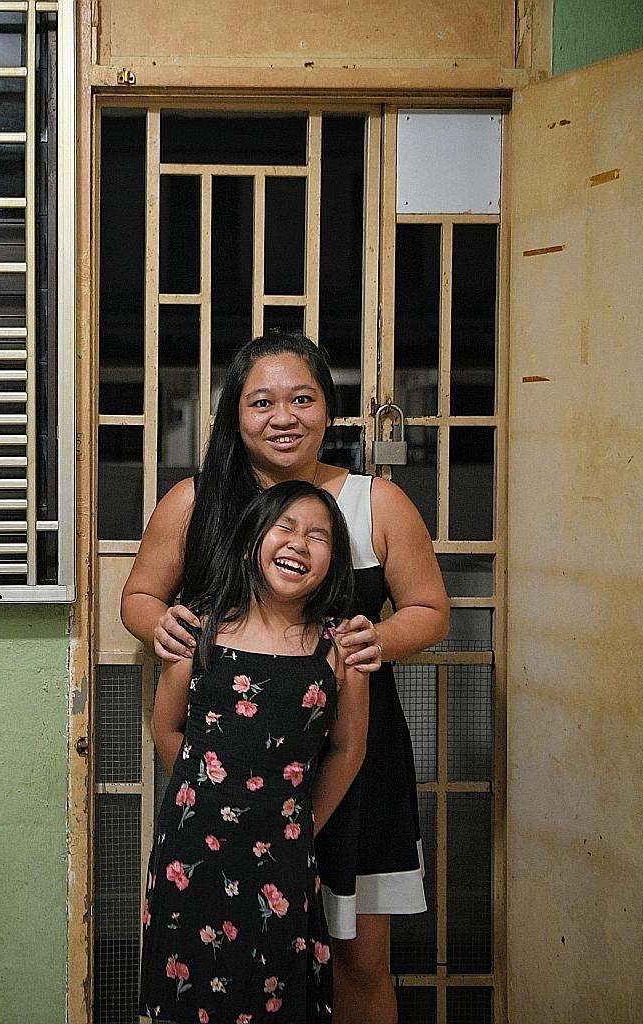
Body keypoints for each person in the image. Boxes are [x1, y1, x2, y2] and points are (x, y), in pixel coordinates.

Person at [122, 331, 449, 1024]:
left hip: (354, 758)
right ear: (234, 414)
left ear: (328, 410)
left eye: (302, 398)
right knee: (231, 952)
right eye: (261, 401)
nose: (283, 416)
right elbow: (140, 596)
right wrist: (161, 625)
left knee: (359, 956)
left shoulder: (375, 503)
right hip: (239, 769)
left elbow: (429, 611)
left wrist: (377, 637)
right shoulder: (196, 499)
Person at [138, 480, 366, 1023]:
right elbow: (166, 726)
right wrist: (208, 797)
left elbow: (348, 750)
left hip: (283, 857)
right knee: (188, 996)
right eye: (284, 527)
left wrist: (302, 824)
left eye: (319, 536)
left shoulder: (341, 649)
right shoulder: (200, 629)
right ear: (248, 544)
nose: (298, 544)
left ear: (334, 562)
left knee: (273, 999)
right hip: (191, 853)